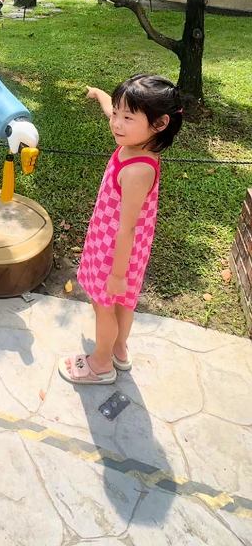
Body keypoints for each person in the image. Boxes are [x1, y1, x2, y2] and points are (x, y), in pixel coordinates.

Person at [59, 74, 183, 385]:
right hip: (122, 247)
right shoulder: (135, 142)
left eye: (127, 117)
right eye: (116, 112)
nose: (116, 122)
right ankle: (119, 350)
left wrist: (116, 274)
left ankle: (101, 365)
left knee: (104, 306)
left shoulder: (139, 169)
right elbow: (112, 112)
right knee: (123, 303)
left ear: (159, 124)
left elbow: (126, 228)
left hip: (114, 250)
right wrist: (99, 93)